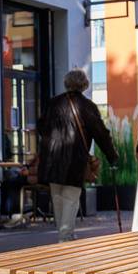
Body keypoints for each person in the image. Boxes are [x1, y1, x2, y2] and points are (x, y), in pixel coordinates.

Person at [37, 69, 117, 242]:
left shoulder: (53, 103)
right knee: (70, 198)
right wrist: (111, 155)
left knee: (58, 198)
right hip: (74, 158)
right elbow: (101, 134)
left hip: (52, 159)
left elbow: (41, 128)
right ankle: (65, 237)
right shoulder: (87, 106)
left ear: (67, 83)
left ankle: (64, 234)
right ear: (84, 85)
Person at [0, 153, 39, 221]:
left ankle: (13, 213)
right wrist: (26, 167)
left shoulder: (47, 153)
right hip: (31, 176)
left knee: (11, 183)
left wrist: (28, 171)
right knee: (6, 182)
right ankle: (6, 213)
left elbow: (43, 169)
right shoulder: (42, 152)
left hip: (36, 178)